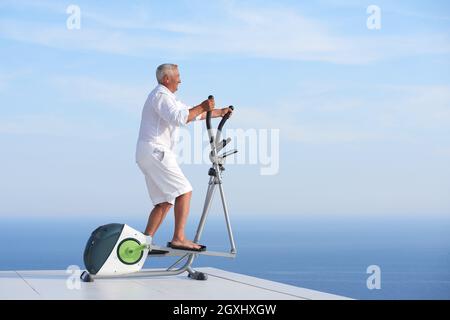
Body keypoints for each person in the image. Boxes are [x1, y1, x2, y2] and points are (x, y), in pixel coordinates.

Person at [135, 64, 233, 251]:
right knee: (184, 191)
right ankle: (179, 238)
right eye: (177, 76)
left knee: (164, 202)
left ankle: (143, 243)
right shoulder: (160, 96)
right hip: (156, 150)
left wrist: (219, 112)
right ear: (166, 79)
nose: (180, 80)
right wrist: (201, 106)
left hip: (148, 152)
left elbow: (190, 114)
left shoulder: (168, 98)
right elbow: (179, 118)